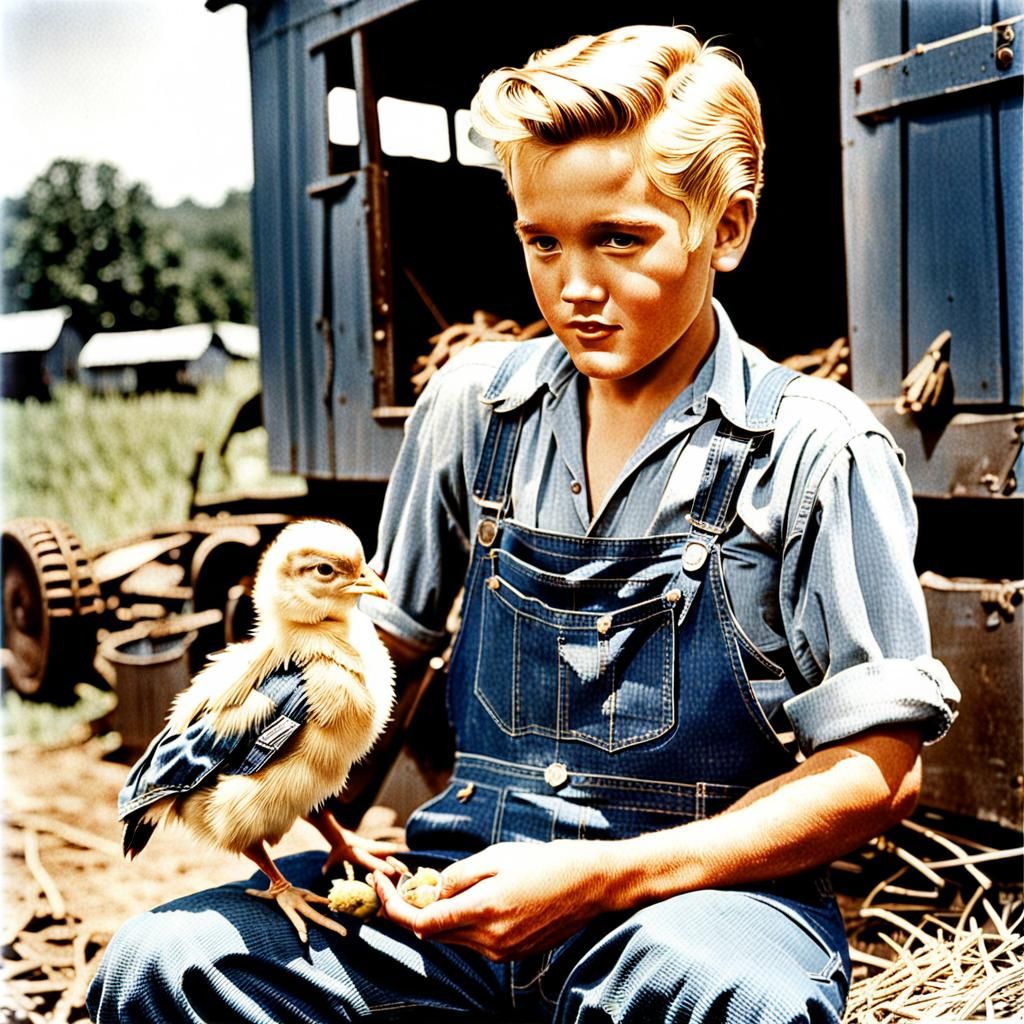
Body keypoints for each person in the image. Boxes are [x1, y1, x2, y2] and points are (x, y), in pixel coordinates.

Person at [87, 23, 959, 1023]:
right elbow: (377, 664)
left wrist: (602, 880)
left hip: (697, 904)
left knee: (732, 999)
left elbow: (877, 771)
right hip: (467, 886)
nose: (573, 288)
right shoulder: (470, 409)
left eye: (619, 239)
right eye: (542, 242)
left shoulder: (814, 449)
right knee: (166, 964)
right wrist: (336, 849)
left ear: (727, 227)